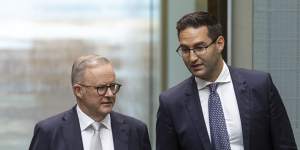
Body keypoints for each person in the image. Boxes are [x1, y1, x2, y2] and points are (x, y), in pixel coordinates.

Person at [156, 11, 297, 150]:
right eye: (185, 50)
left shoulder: (259, 85)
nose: (192, 57)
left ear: (220, 44)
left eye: (200, 47)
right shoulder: (172, 103)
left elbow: (285, 144)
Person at [29, 54, 151, 150]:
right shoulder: (49, 132)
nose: (109, 94)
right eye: (101, 88)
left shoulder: (136, 131)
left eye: (112, 86)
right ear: (78, 91)